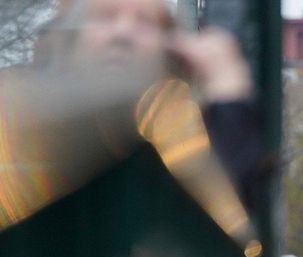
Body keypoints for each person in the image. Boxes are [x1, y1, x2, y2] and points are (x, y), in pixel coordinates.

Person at [50, 0, 265, 205]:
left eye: (144, 22)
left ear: (172, 50)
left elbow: (228, 207)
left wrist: (226, 88)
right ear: (73, 40)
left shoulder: (182, 148)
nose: (123, 32)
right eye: (105, 17)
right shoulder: (38, 129)